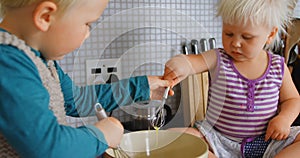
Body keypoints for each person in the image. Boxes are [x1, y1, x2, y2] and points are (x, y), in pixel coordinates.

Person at [0, 0, 170, 157]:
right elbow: (49, 147)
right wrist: (101, 135)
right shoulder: (7, 64)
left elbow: (77, 100)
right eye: (87, 24)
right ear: (46, 16)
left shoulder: (39, 60)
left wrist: (142, 87)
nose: (88, 34)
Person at [163, 0, 300, 157]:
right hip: (218, 140)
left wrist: (284, 118)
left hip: (268, 141)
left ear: (270, 35)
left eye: (247, 37)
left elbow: (293, 99)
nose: (235, 43)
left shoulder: (278, 66)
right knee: (173, 137)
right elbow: (193, 62)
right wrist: (181, 63)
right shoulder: (218, 58)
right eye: (228, 33)